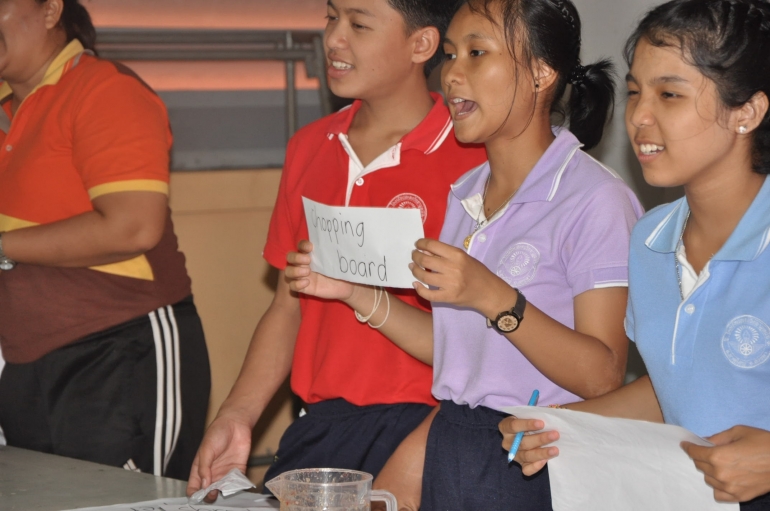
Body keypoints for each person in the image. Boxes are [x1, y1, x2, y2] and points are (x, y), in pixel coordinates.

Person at [286, 0, 644, 509]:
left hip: (537, 454)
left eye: (477, 53)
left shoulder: (594, 198)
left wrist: (492, 296)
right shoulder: (467, 192)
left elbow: (603, 374)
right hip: (455, 442)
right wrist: (355, 293)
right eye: (451, 54)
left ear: (541, 73)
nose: (452, 73)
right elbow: (461, 351)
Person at [186, 0, 487, 496]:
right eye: (331, 18)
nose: (333, 39)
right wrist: (237, 415)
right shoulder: (310, 146)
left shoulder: (472, 158)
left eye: (359, 24)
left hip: (431, 430)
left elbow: (489, 330)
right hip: (323, 427)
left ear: (421, 44)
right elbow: (288, 306)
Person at [501, 0, 770, 508]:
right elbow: (674, 388)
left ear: (747, 112)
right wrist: (560, 424)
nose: (639, 116)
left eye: (669, 94)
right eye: (634, 92)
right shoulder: (650, 239)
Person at [0, 0, 210, 480]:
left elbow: (132, 226)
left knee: (124, 501)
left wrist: (2, 247)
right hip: (27, 359)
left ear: (50, 10)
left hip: (119, 350)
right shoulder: (9, 109)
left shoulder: (103, 89)